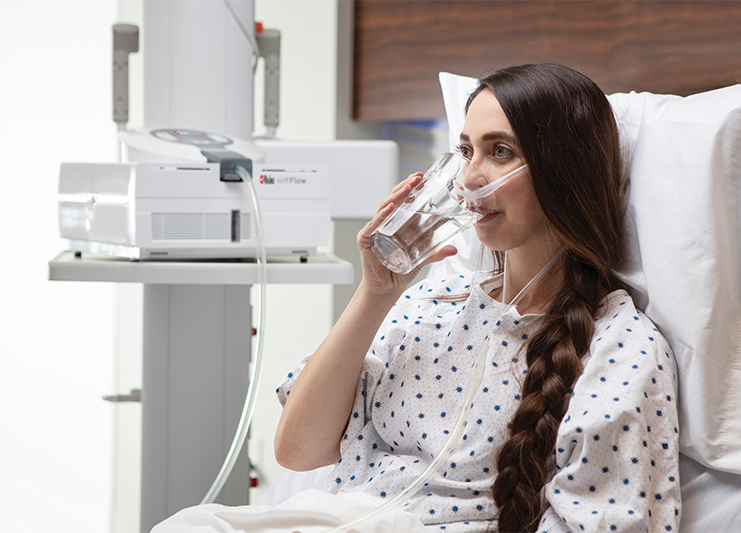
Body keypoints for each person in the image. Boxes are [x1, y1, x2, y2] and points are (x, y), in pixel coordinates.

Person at [155, 64, 681, 533]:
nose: (469, 178)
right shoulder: (434, 302)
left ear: (563, 171)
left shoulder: (620, 350)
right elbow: (298, 450)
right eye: (465, 151)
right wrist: (375, 293)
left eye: (500, 152)